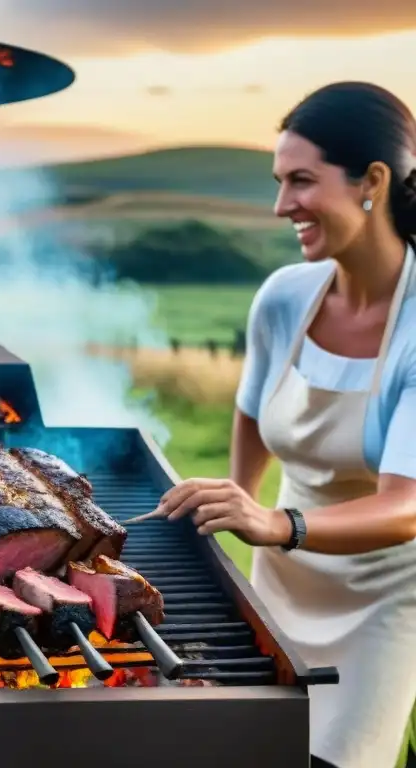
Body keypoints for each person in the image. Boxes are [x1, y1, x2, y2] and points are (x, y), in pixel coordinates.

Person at [149, 82, 416, 768]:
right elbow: (251, 414)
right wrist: (232, 509)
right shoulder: (284, 296)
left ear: (373, 182)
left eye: (301, 180)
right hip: (280, 581)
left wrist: (277, 523)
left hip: (382, 599)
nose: (280, 206)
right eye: (278, 182)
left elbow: (406, 505)